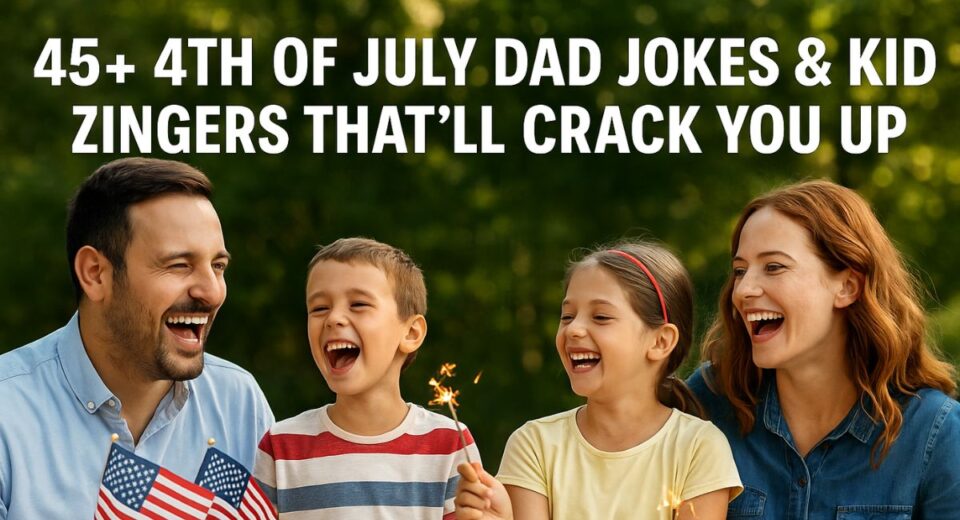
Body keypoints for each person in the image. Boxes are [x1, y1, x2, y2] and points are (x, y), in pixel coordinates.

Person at [0, 157, 274, 518]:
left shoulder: (239, 402)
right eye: (179, 265)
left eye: (218, 266)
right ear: (96, 274)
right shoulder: (8, 412)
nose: (212, 291)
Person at [688, 179, 960, 518]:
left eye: (774, 266)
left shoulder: (936, 433)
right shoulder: (707, 403)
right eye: (740, 270)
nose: (743, 289)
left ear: (847, 286)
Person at [455, 241, 742, 520]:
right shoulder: (533, 445)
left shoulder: (699, 449)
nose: (574, 329)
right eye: (567, 316)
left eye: (601, 316)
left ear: (660, 341)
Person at [253, 237, 481, 518]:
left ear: (411, 333)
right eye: (319, 308)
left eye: (358, 304)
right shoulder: (281, 446)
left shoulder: (449, 443)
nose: (333, 318)